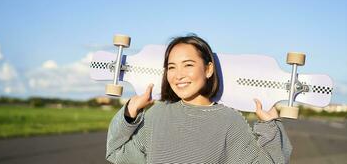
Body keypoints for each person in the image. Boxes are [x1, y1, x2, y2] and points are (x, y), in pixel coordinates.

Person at [106, 34, 292, 163]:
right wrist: (130, 111)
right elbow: (116, 153)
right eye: (171, 67)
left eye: (188, 65)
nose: (178, 75)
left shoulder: (229, 122)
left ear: (209, 69)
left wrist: (270, 127)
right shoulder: (157, 115)